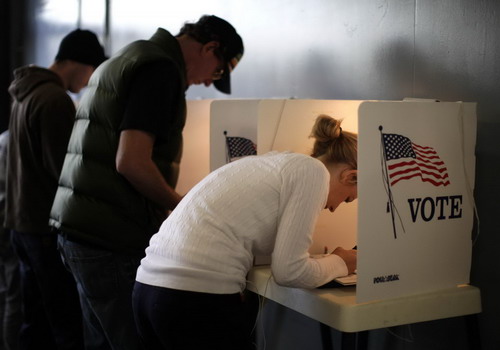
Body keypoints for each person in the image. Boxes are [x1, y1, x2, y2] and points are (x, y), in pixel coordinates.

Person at [49, 15, 244, 350]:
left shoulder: (132, 55)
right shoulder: (161, 70)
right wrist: (181, 205)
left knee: (100, 340)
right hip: (108, 236)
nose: (209, 83)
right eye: (217, 72)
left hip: (78, 228)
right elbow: (132, 162)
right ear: (210, 48)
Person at [133, 114, 358, 349]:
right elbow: (290, 271)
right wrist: (341, 261)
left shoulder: (275, 163)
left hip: (148, 289)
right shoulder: (313, 172)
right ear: (350, 176)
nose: (334, 208)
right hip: (193, 297)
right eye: (348, 199)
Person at [5, 29, 106, 349]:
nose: (90, 80)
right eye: (92, 70)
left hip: (21, 222)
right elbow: (65, 170)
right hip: (45, 227)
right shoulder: (54, 99)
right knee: (64, 322)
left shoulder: (26, 94)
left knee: (34, 319)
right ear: (77, 63)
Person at [0, 130, 21, 350]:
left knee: (6, 291)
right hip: (7, 225)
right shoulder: (8, 140)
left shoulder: (4, 138)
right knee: (14, 295)